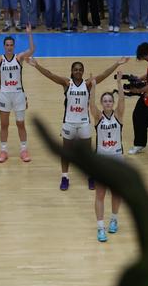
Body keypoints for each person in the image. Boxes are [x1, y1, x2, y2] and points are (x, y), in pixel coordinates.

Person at [26, 55, 127, 190]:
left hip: (84, 122)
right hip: (69, 122)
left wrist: (117, 64)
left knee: (87, 152)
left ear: (83, 71)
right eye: (75, 69)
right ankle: (65, 177)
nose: (78, 72)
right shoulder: (67, 83)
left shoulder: (88, 84)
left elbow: (103, 74)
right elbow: (50, 75)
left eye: (80, 70)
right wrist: (37, 65)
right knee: (66, 151)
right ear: (72, 71)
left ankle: (91, 175)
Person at [0, 26, 34, 163]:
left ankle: (24, 149)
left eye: (11, 45)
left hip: (18, 95)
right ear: (4, 46)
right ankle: (3, 150)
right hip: (4, 95)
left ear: (14, 46)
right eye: (7, 45)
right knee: (4, 124)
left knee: (20, 124)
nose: (9, 47)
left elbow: (32, 50)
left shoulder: (19, 58)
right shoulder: (0, 59)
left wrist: (29, 35)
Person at [88, 72, 126, 242]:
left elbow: (123, 101)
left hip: (117, 159)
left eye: (110, 101)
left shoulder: (118, 115)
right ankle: (100, 227)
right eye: (105, 101)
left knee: (116, 193)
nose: (108, 103)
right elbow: (91, 105)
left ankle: (114, 220)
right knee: (100, 194)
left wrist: (119, 82)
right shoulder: (98, 117)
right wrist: (94, 87)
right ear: (102, 104)